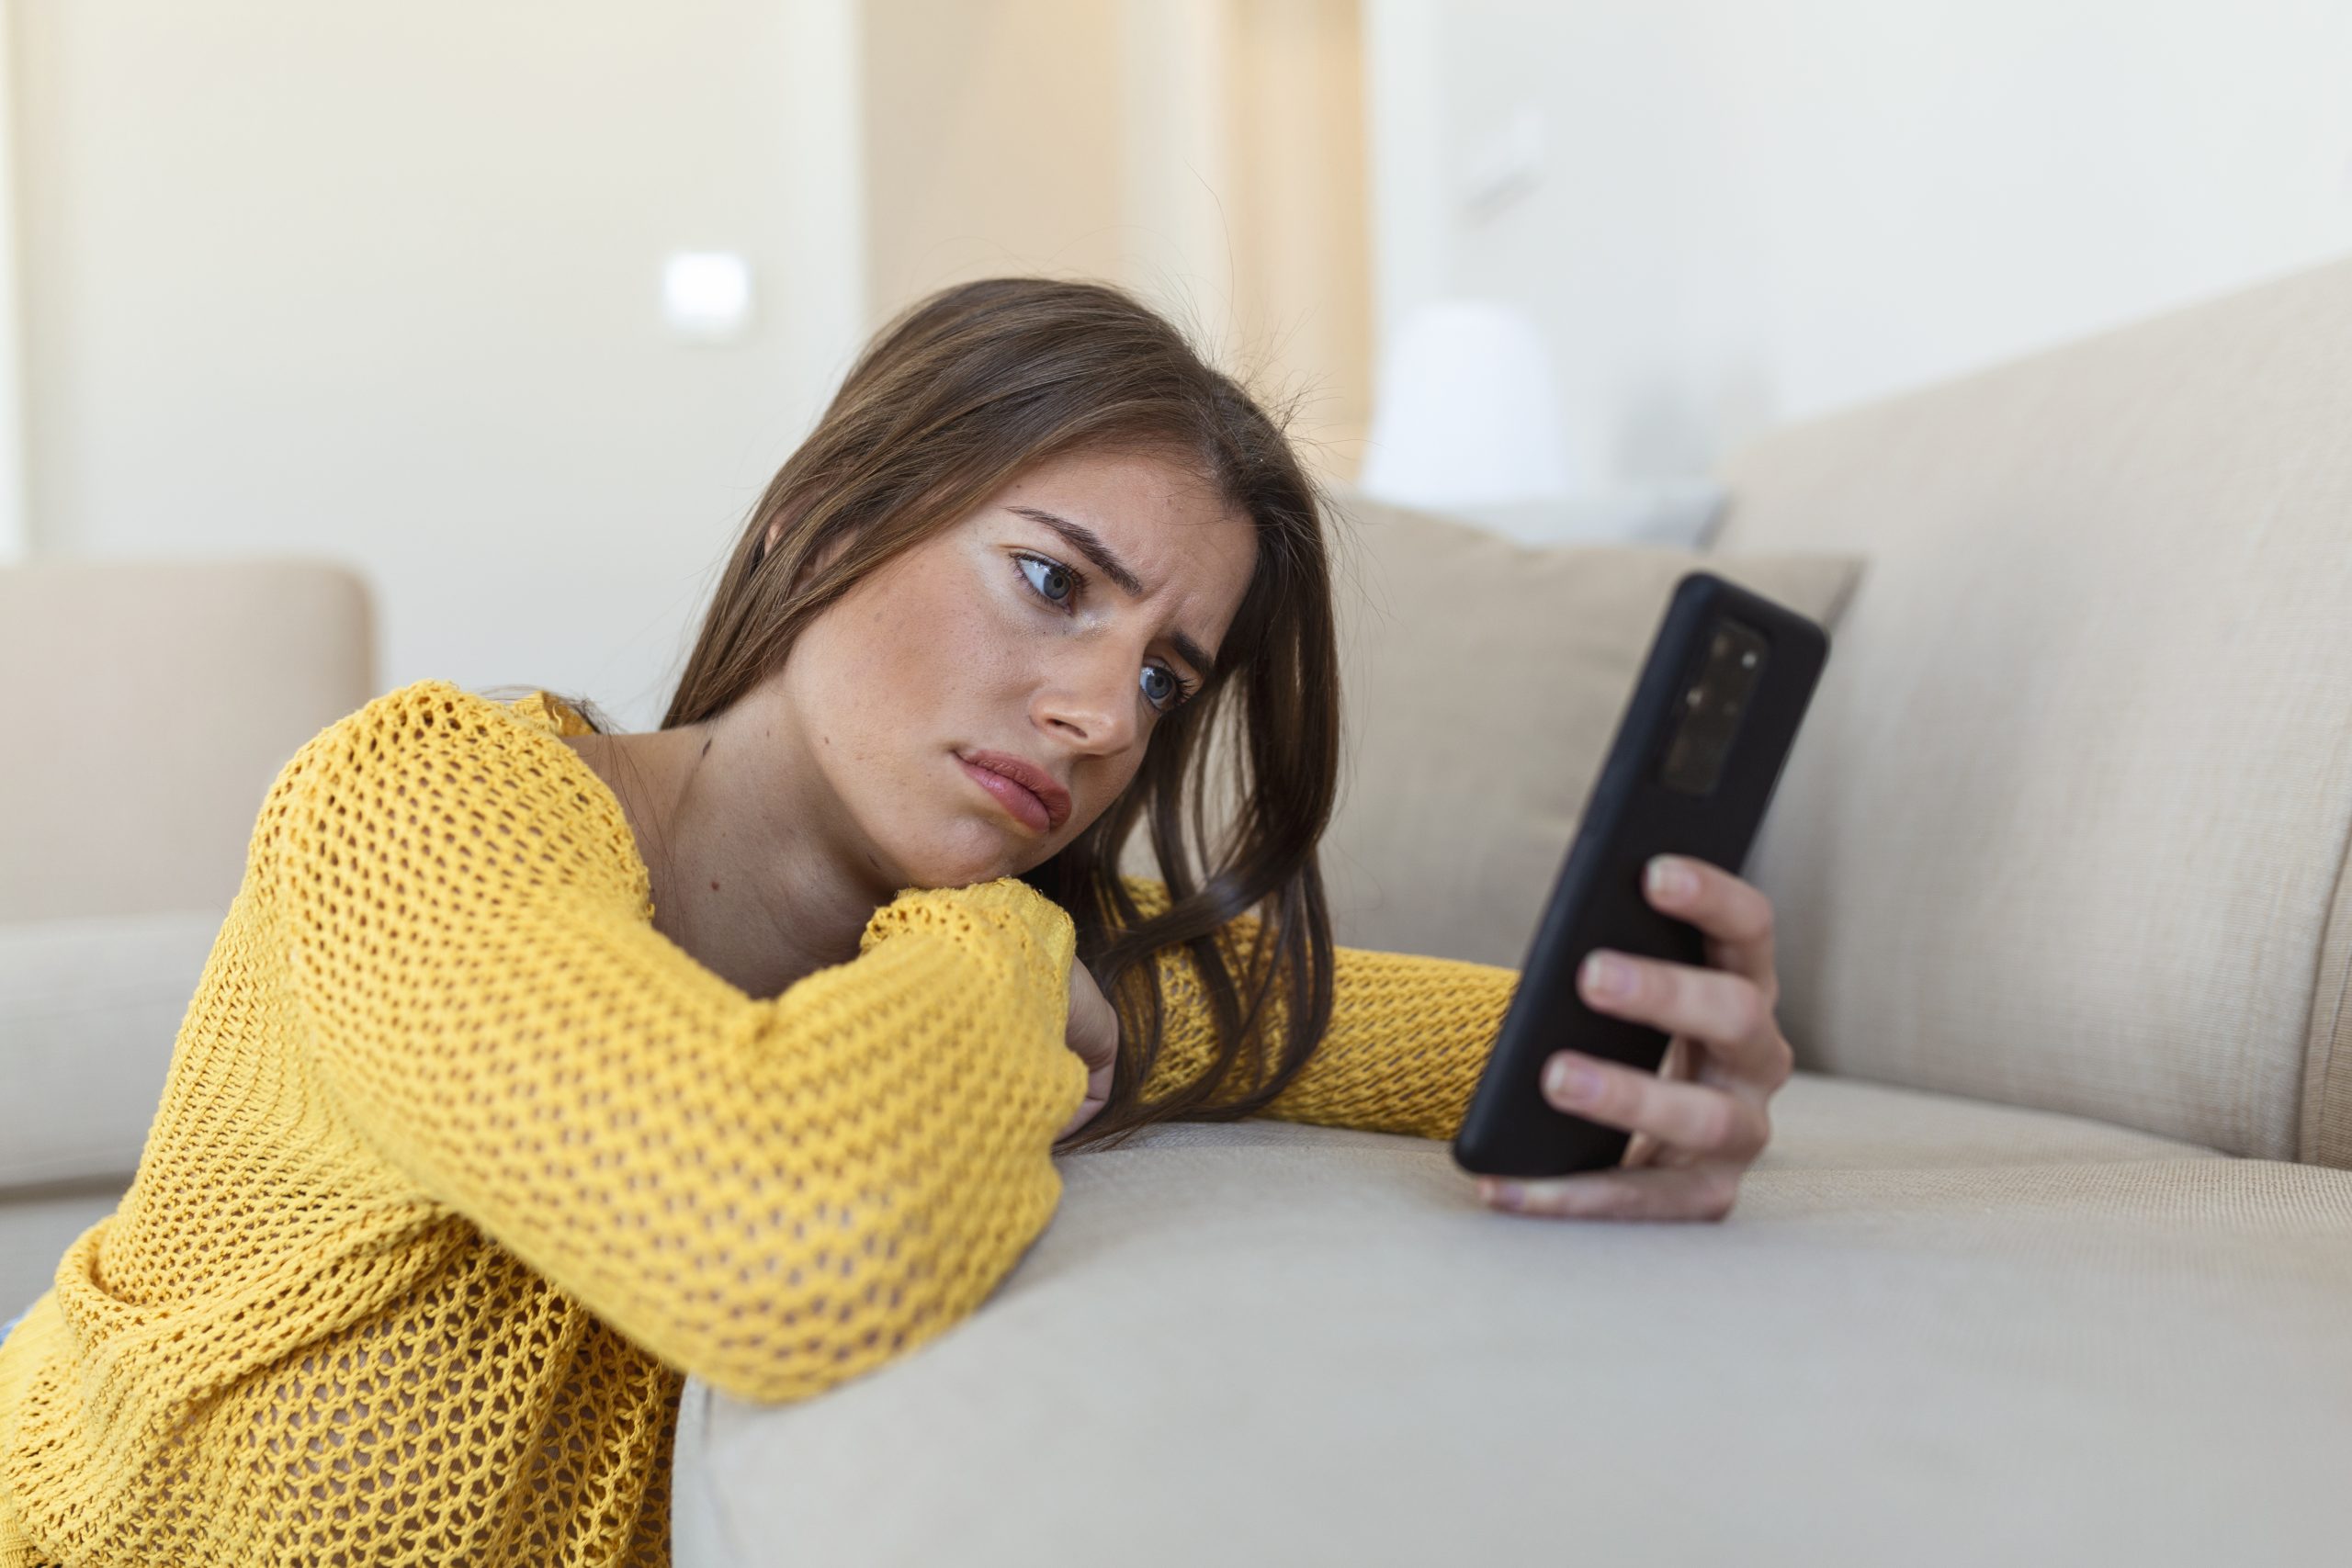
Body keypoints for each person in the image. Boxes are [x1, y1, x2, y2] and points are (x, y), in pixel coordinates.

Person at [0, 276, 1793, 1566]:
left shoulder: (1018, 946)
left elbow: (1484, 1027)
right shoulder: (421, 801)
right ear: (819, 518)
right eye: (1048, 579)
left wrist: (1691, 1054)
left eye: (1165, 673)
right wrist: (1009, 947)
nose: (1102, 716)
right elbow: (789, 1237)